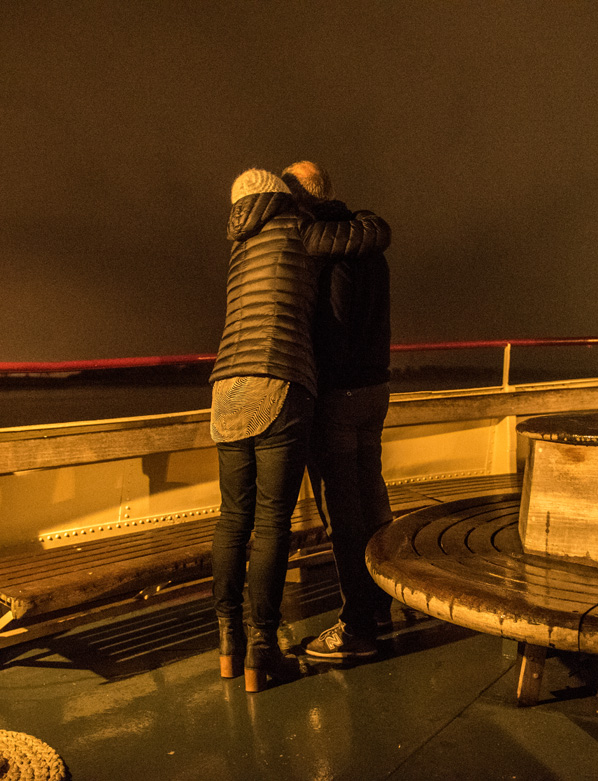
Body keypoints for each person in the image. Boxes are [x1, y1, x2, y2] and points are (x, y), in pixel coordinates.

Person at [210, 168, 390, 692]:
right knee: (274, 522)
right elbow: (370, 235)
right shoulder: (303, 232)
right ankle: (264, 651)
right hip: (296, 382)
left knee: (231, 518)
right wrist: (373, 221)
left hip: (226, 383)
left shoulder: (239, 242)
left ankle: (228, 645)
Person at [281, 161, 395, 661]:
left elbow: (334, 324)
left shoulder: (323, 246)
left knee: (342, 512)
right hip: (376, 387)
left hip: (339, 394)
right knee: (372, 500)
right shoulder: (364, 239)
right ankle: (384, 600)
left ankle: (356, 627)